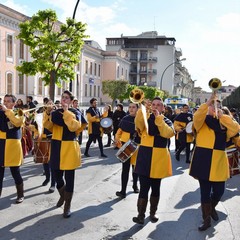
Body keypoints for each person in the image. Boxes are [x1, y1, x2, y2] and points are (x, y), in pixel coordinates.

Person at [189, 93, 239, 231]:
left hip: (218, 160)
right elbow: (196, 117)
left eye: (218, 105)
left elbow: (235, 128)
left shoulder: (224, 122)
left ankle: (211, 208)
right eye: (212, 105)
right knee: (204, 192)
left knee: (219, 191)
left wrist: (223, 116)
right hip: (203, 158)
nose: (215, 107)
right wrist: (207, 103)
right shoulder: (201, 120)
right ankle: (206, 220)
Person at [132, 97, 175, 224]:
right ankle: (140, 215)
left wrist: (158, 119)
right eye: (154, 104)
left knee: (156, 188)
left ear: (163, 108)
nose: (155, 107)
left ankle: (153, 213)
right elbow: (138, 124)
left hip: (159, 157)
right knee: (144, 187)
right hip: (145, 155)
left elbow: (168, 133)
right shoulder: (145, 118)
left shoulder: (166, 120)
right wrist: (142, 109)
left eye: (158, 105)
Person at [43, 90, 85, 218]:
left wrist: (66, 111)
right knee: (57, 176)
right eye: (63, 98)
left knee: (69, 178)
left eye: (67, 98)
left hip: (69, 147)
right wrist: (48, 112)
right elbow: (48, 126)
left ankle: (67, 206)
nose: (64, 100)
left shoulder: (75, 112)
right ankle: (63, 195)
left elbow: (73, 127)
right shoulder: (55, 113)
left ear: (72, 102)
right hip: (56, 146)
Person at [0, 94, 25, 203]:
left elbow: (18, 122)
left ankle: (20, 194)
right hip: (1, 144)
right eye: (4, 101)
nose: (5, 103)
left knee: (15, 172)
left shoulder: (19, 112)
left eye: (8, 101)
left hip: (13, 146)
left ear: (14, 103)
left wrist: (7, 111)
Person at [115, 103, 140, 198]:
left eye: (133, 107)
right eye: (130, 107)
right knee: (125, 169)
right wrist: (117, 140)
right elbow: (119, 132)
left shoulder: (141, 120)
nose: (131, 109)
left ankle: (135, 185)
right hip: (126, 146)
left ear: (138, 108)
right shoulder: (125, 119)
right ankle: (123, 191)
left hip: (137, 146)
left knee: (135, 168)